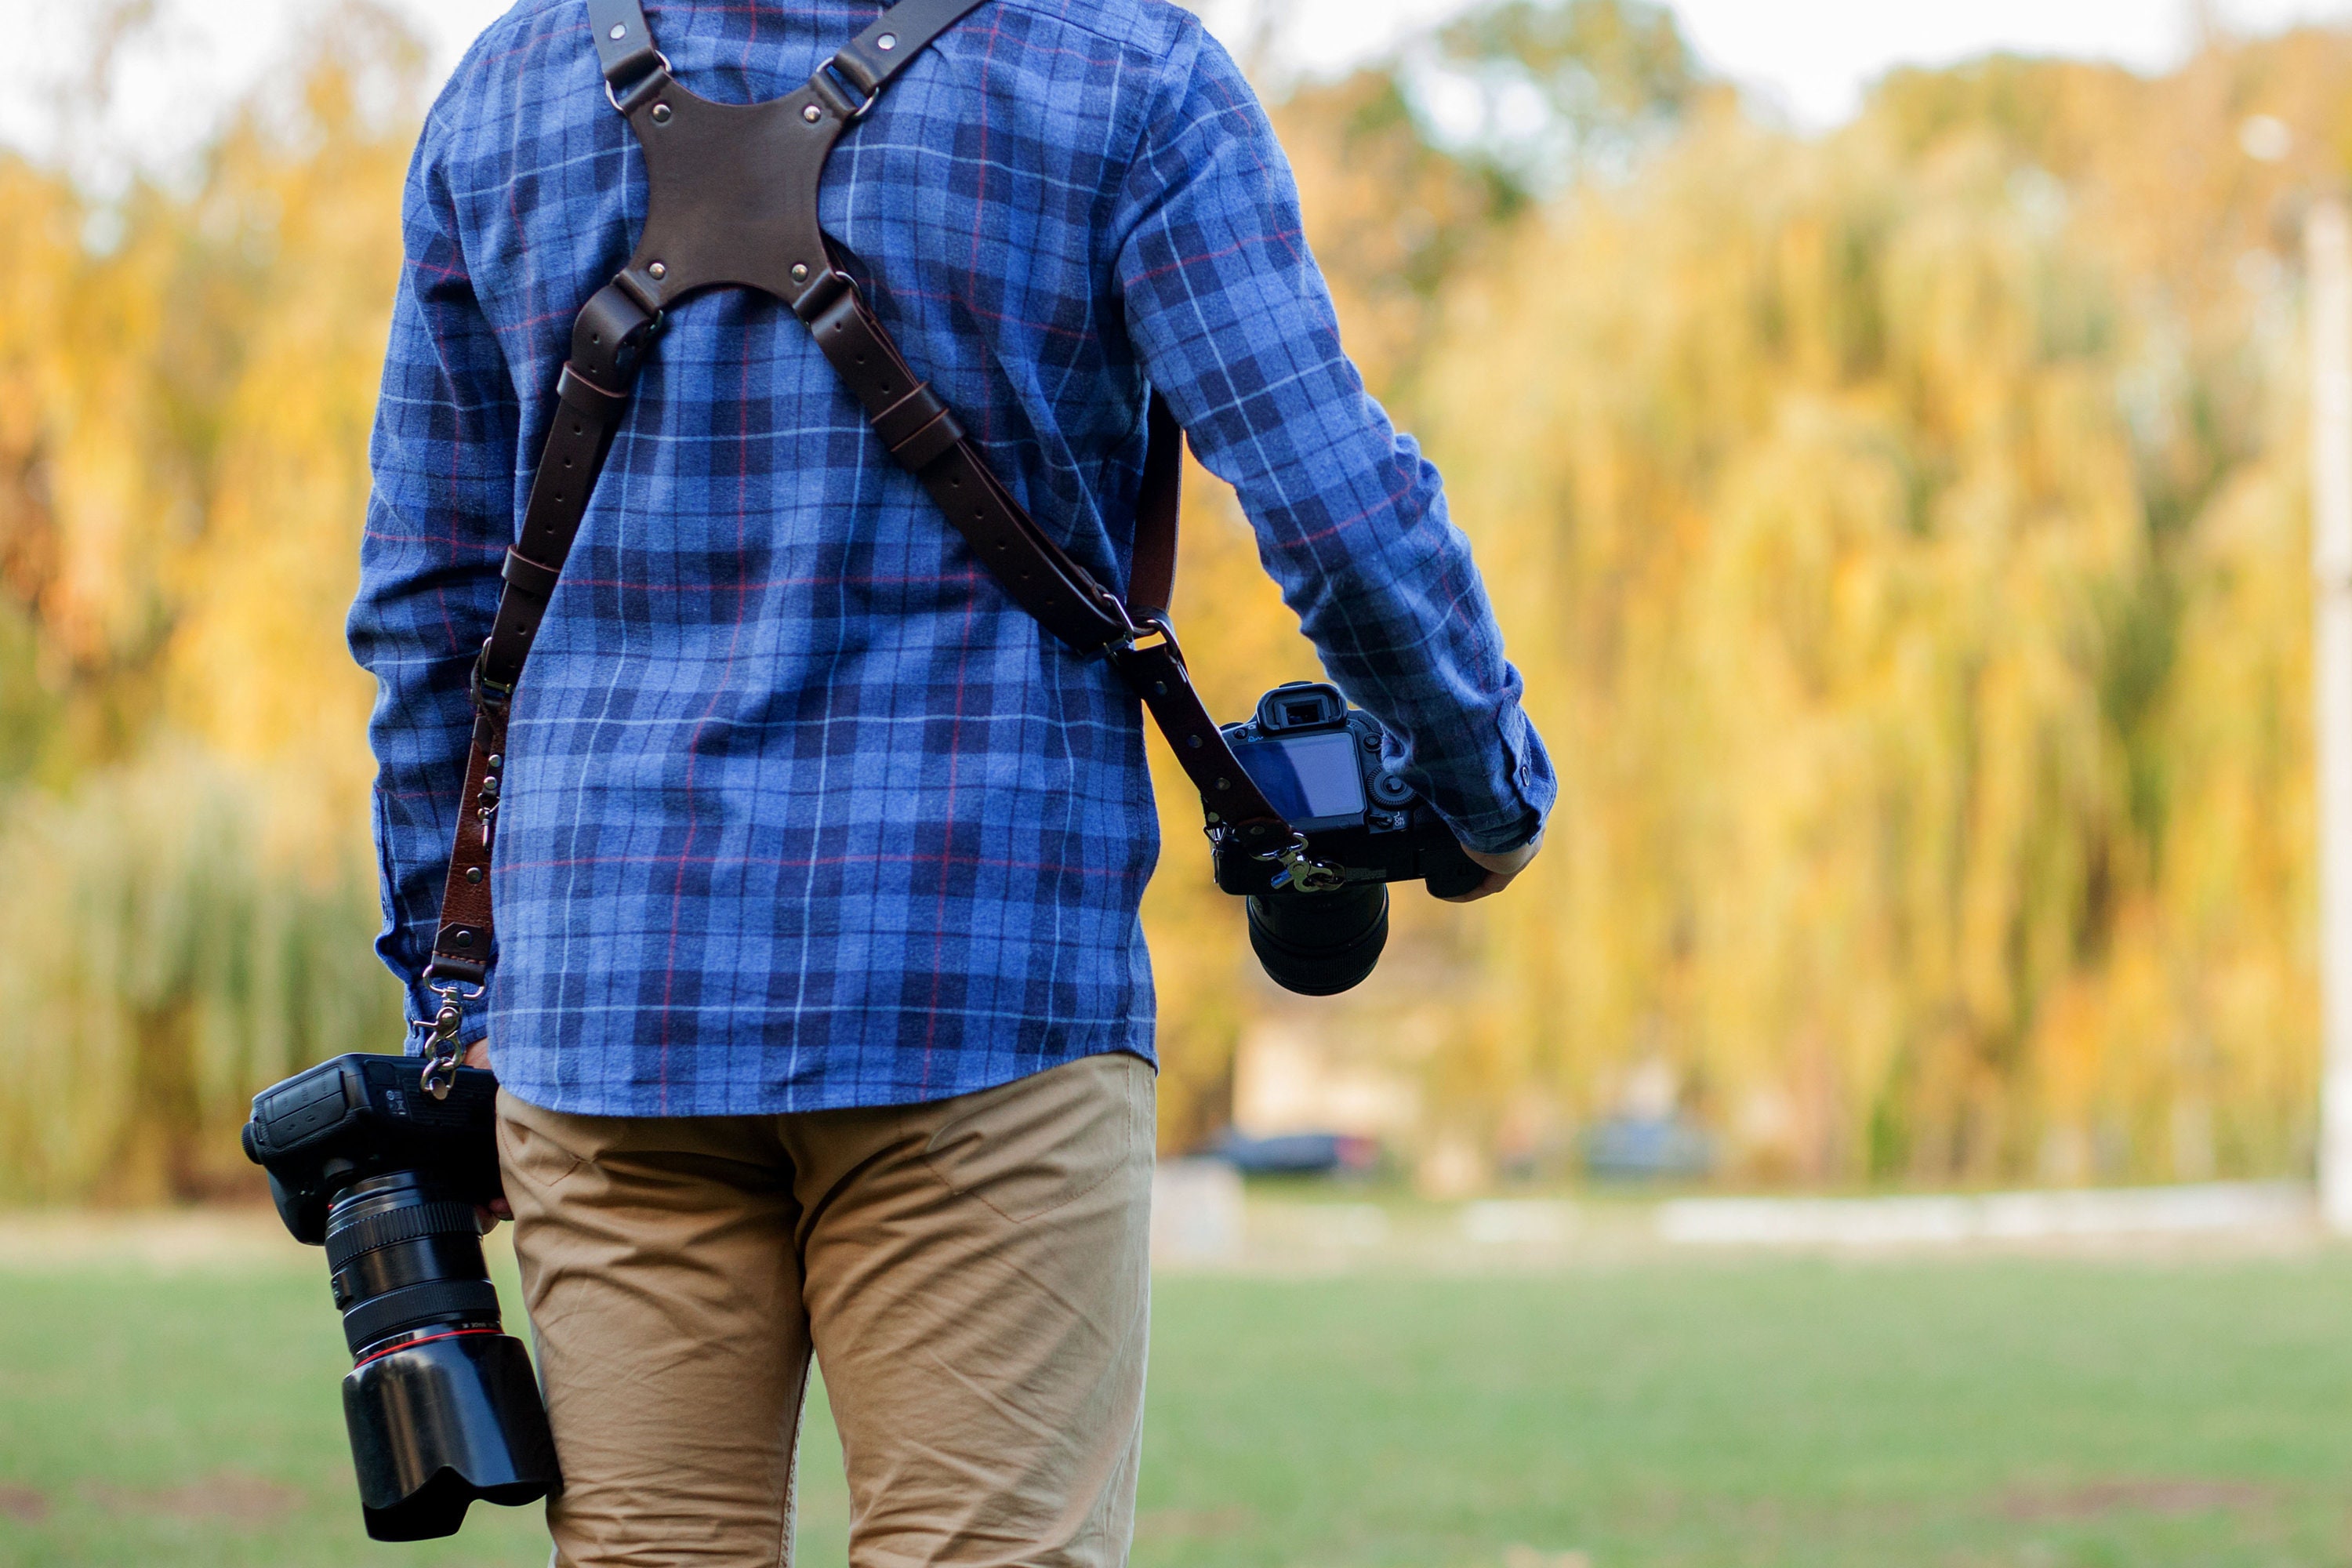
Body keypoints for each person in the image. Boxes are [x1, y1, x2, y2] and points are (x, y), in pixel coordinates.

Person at [349, 0, 1554, 1562]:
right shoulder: (1119, 69)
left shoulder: (507, 93)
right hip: (977, 978)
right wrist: (1482, 786)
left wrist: (447, 997)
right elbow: (1334, 511)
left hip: (606, 1010)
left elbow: (428, 611)